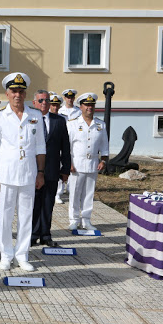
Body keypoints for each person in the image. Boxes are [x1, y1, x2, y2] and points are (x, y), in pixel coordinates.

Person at [0, 72, 45, 272]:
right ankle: (6, 254)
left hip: (28, 174)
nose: (17, 95)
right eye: (13, 91)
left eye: (21, 91)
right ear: (7, 93)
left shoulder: (35, 116)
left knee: (26, 216)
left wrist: (40, 173)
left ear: (25, 93)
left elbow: (40, 148)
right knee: (5, 216)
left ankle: (22, 254)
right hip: (5, 175)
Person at [30, 90, 70, 248]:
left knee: (48, 204)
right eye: (40, 100)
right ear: (34, 103)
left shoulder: (58, 121)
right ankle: (32, 234)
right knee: (33, 203)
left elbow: (65, 146)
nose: (44, 103)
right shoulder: (29, 119)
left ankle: (45, 234)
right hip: (32, 170)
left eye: (47, 100)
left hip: (52, 169)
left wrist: (65, 168)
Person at [67, 93, 109, 231]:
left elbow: (104, 145)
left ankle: (86, 220)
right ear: (81, 107)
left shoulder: (100, 124)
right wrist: (68, 163)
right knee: (74, 193)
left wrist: (104, 160)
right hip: (76, 164)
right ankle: (73, 219)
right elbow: (67, 146)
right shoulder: (72, 124)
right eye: (86, 105)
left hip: (92, 164)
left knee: (88, 194)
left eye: (91, 105)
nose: (89, 107)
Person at [49, 92, 67, 204]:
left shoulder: (63, 119)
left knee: (59, 172)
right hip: (49, 150)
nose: (55, 107)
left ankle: (58, 193)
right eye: (53, 105)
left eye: (57, 105)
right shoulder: (43, 117)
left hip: (59, 148)